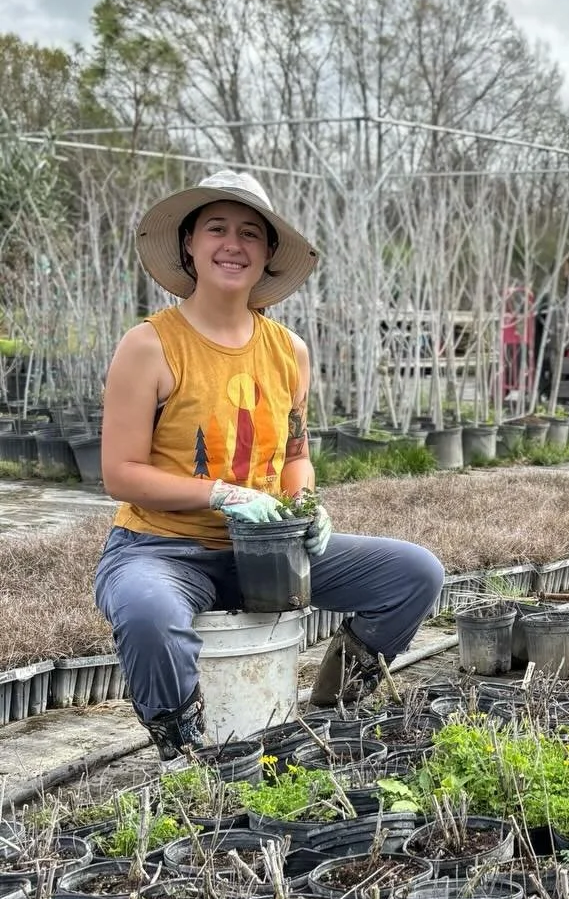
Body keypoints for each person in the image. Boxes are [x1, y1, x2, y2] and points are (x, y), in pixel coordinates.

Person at [94, 170, 444, 759]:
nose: (233, 244)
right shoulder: (151, 345)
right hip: (161, 548)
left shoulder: (288, 351)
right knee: (150, 613)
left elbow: (295, 457)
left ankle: (337, 707)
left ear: (268, 253)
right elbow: (120, 474)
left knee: (414, 574)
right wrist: (221, 494)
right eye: (216, 229)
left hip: (269, 550)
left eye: (250, 233)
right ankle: (187, 752)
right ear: (188, 244)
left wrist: (303, 503)